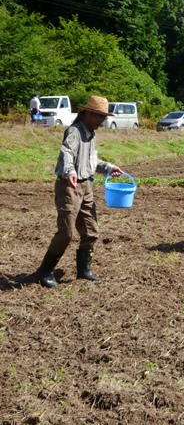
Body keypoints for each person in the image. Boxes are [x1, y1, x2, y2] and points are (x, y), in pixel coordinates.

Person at [33, 96, 123, 288]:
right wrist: (70, 172)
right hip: (69, 186)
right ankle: (45, 271)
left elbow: (90, 162)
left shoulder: (91, 134)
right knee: (66, 234)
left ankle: (84, 270)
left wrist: (108, 167)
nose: (101, 121)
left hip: (86, 186)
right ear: (87, 114)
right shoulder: (74, 131)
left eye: (103, 117)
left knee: (91, 231)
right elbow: (66, 152)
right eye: (98, 116)